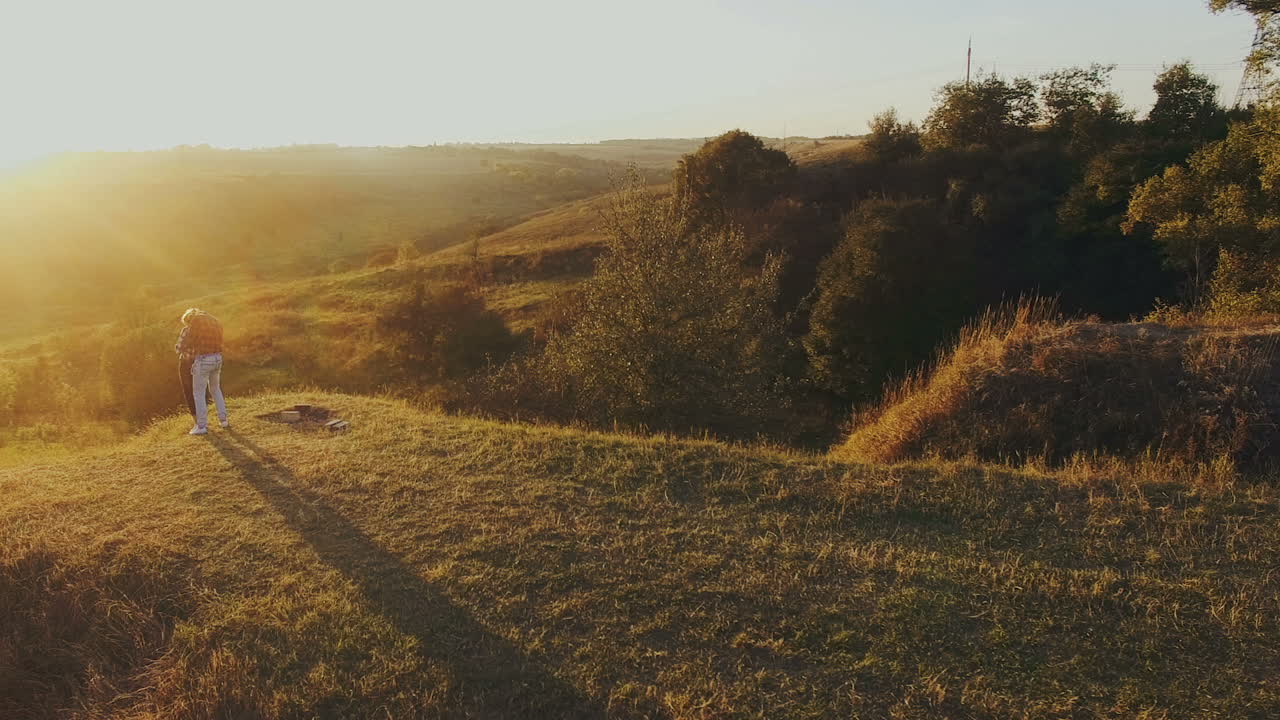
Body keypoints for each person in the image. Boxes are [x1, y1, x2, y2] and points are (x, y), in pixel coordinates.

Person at [174, 308, 228, 435]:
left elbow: (183, 345)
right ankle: (224, 420)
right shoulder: (215, 322)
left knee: (198, 392)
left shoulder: (196, 323)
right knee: (215, 389)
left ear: (189, 320)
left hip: (203, 360)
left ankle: (201, 426)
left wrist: (182, 346)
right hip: (217, 357)